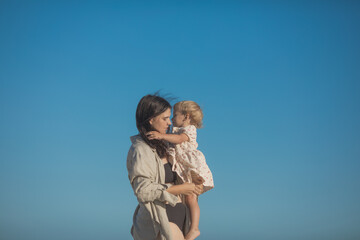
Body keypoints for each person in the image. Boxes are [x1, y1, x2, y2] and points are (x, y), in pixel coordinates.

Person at [127, 95, 203, 240]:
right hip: (160, 221)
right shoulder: (140, 149)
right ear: (151, 119)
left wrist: (194, 185)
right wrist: (181, 189)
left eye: (170, 117)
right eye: (165, 118)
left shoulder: (169, 146)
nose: (169, 122)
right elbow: (143, 191)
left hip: (179, 220)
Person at [147, 101, 214, 240]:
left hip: (191, 167)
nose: (171, 120)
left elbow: (179, 139)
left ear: (186, 116)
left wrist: (161, 136)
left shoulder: (189, 129)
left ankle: (195, 228)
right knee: (187, 198)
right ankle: (189, 227)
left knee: (191, 198)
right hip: (183, 168)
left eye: (175, 115)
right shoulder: (176, 130)